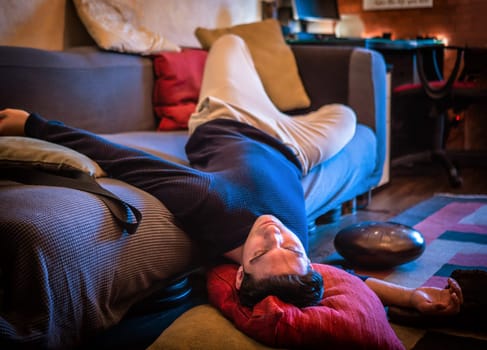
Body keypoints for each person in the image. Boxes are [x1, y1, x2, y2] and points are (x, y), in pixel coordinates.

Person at [0, 34, 463, 317]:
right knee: (345, 115)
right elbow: (343, 280)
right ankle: (284, 106)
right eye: (293, 247)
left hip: (230, 115)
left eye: (265, 249)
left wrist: (34, 124)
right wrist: (408, 298)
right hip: (293, 146)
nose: (277, 233)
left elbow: (122, 159)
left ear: (240, 276)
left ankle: (258, 85)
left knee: (229, 44)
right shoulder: (288, 261)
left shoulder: (208, 203)